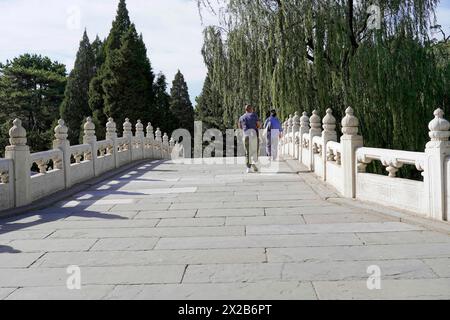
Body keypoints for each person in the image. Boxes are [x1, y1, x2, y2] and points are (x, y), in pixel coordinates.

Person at [239, 105, 261, 173]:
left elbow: (240, 126)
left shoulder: (242, 117)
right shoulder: (254, 116)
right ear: (251, 109)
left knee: (247, 152)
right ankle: (253, 162)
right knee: (255, 151)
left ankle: (248, 168)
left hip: (245, 136)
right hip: (253, 136)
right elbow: (258, 125)